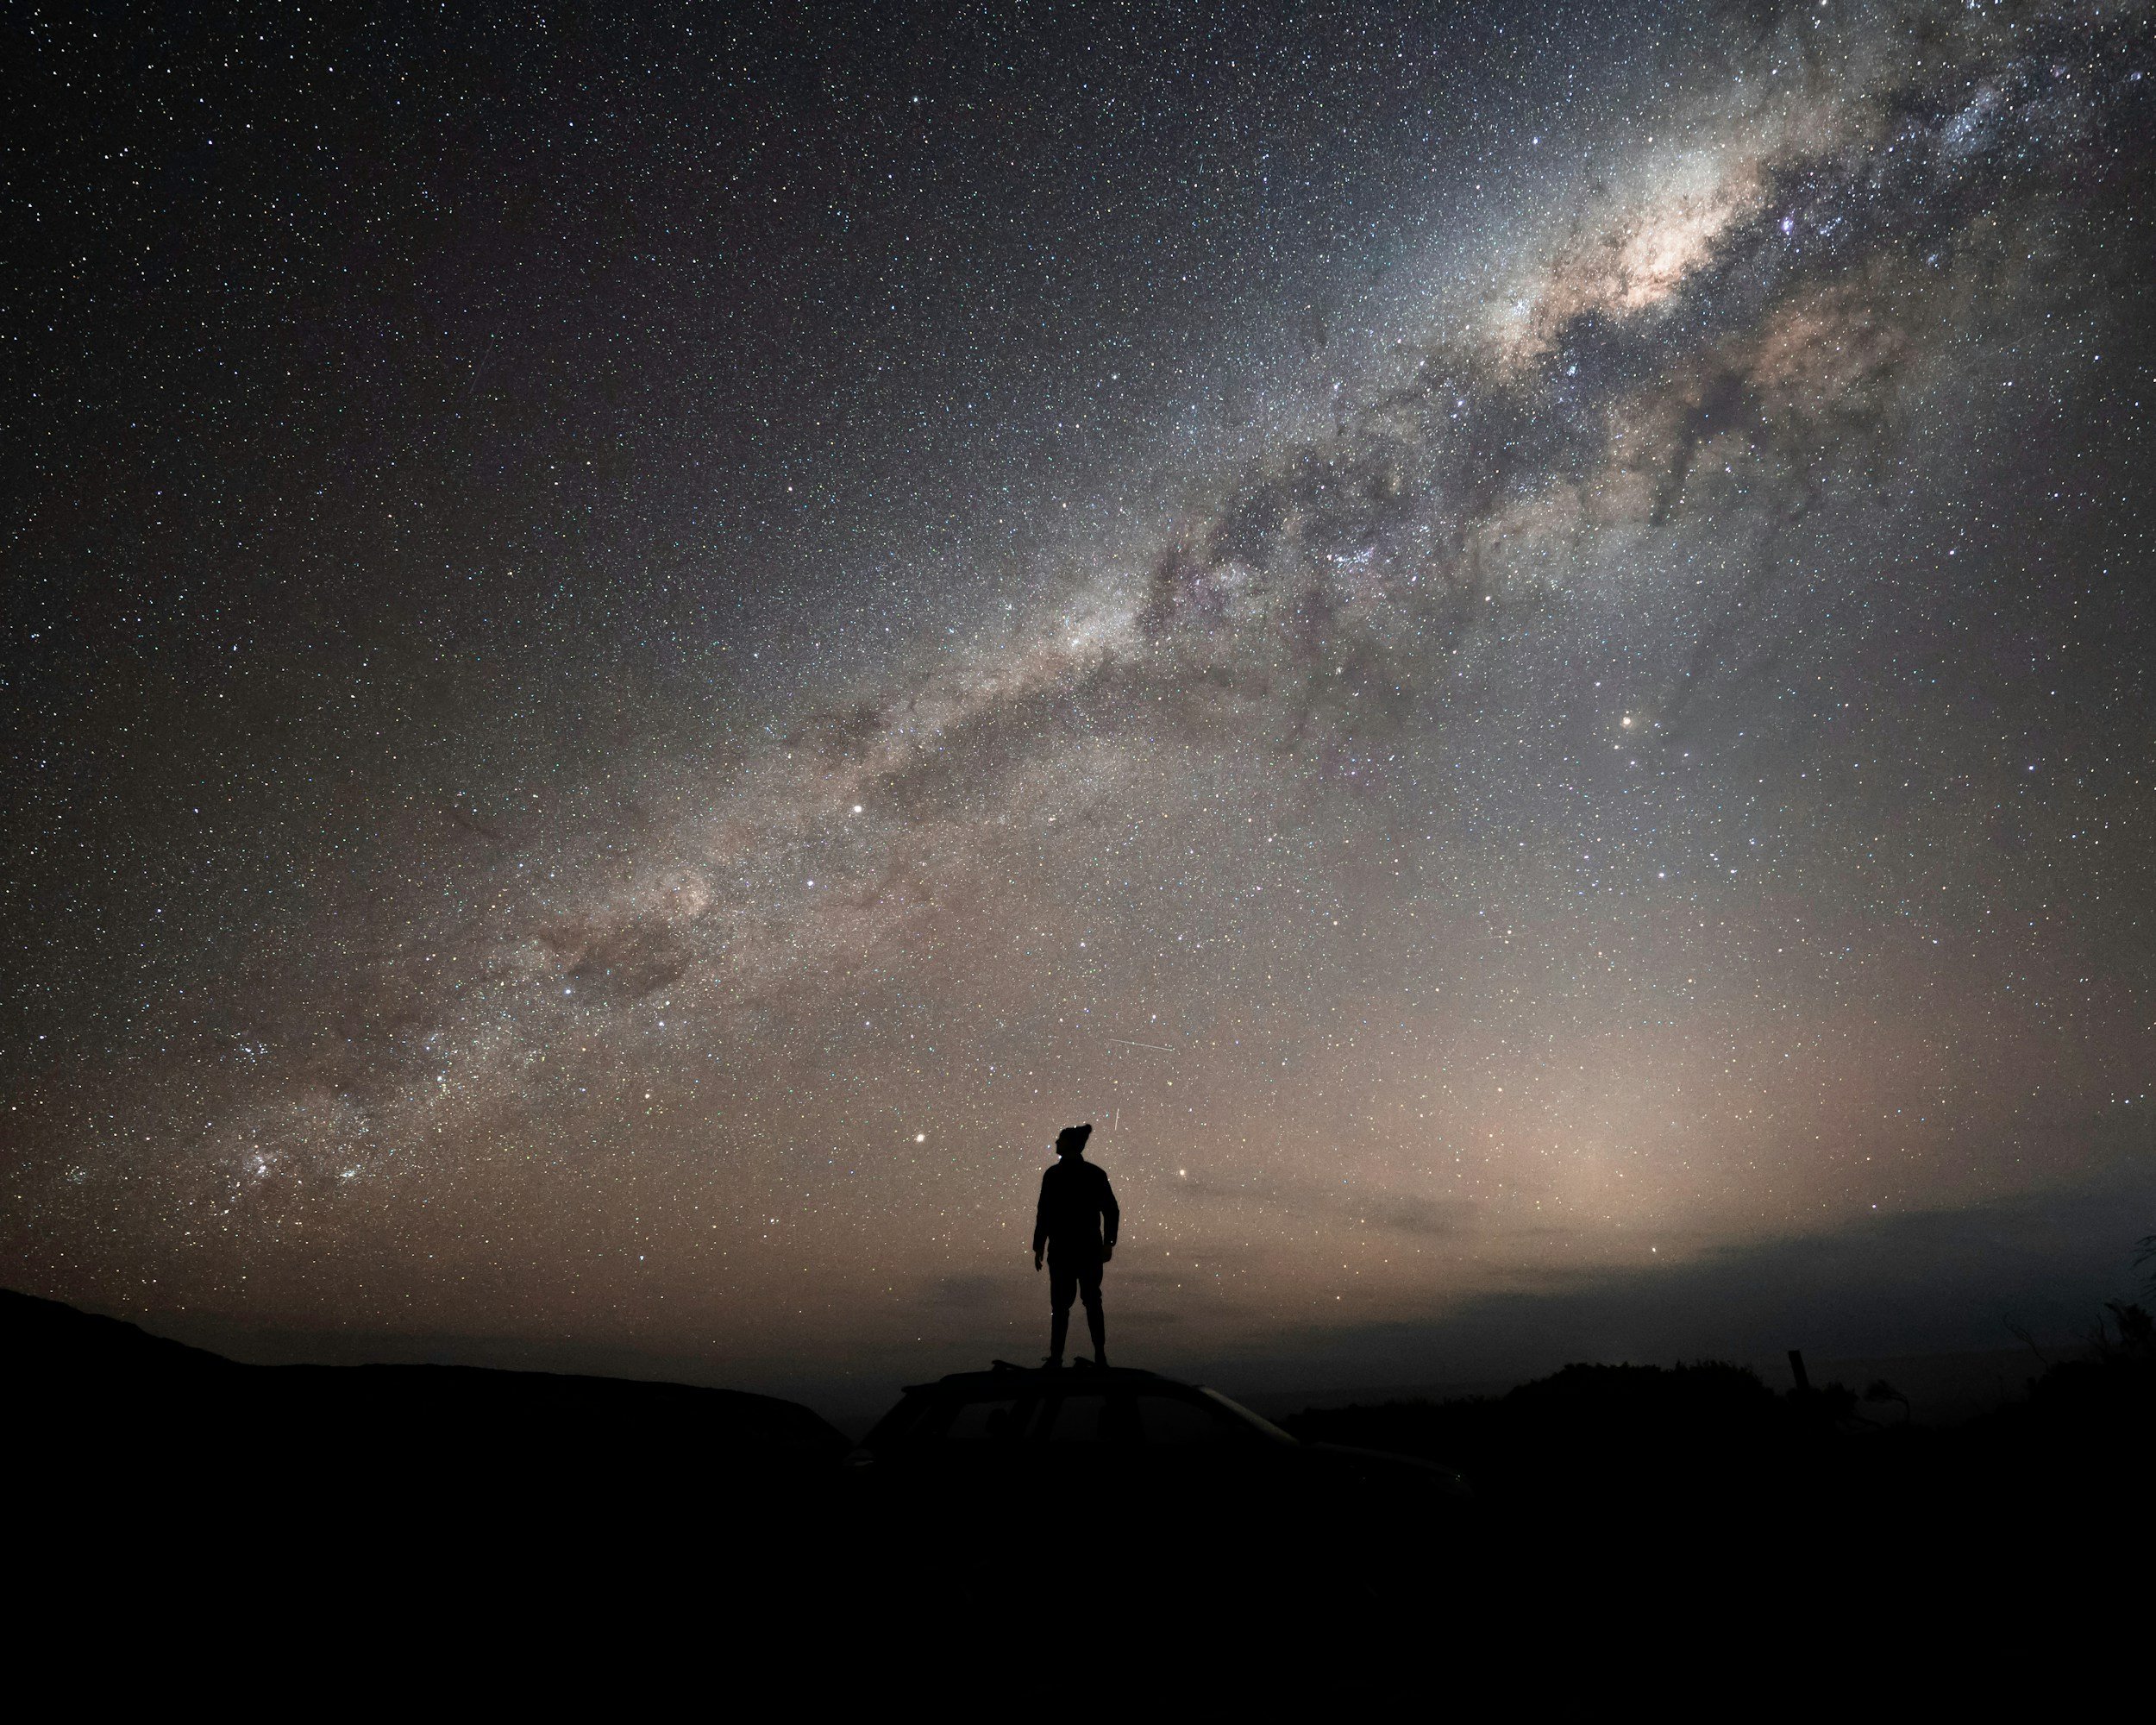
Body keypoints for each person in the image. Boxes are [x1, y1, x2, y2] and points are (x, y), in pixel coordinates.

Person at [1032, 1123, 1119, 1368]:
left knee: (1070, 1304)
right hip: (1077, 1248)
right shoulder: (1087, 1174)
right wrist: (1039, 1245)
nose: (1056, 1143)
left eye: (1060, 1139)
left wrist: (1108, 1242)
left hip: (1073, 1248)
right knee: (1082, 1302)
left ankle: (1068, 1358)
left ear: (1069, 1144)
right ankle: (1092, 1356)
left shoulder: (1062, 1175)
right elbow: (1045, 1212)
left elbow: (1045, 1213)